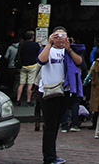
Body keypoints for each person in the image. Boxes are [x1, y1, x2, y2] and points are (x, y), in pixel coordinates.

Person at [38, 27, 83, 164]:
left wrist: (69, 49)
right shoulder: (48, 50)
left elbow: (79, 62)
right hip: (49, 91)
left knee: (56, 123)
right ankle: (49, 157)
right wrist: (48, 43)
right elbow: (42, 60)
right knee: (50, 125)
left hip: (64, 91)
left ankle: (52, 154)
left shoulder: (68, 51)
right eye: (57, 36)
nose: (60, 39)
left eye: (63, 36)